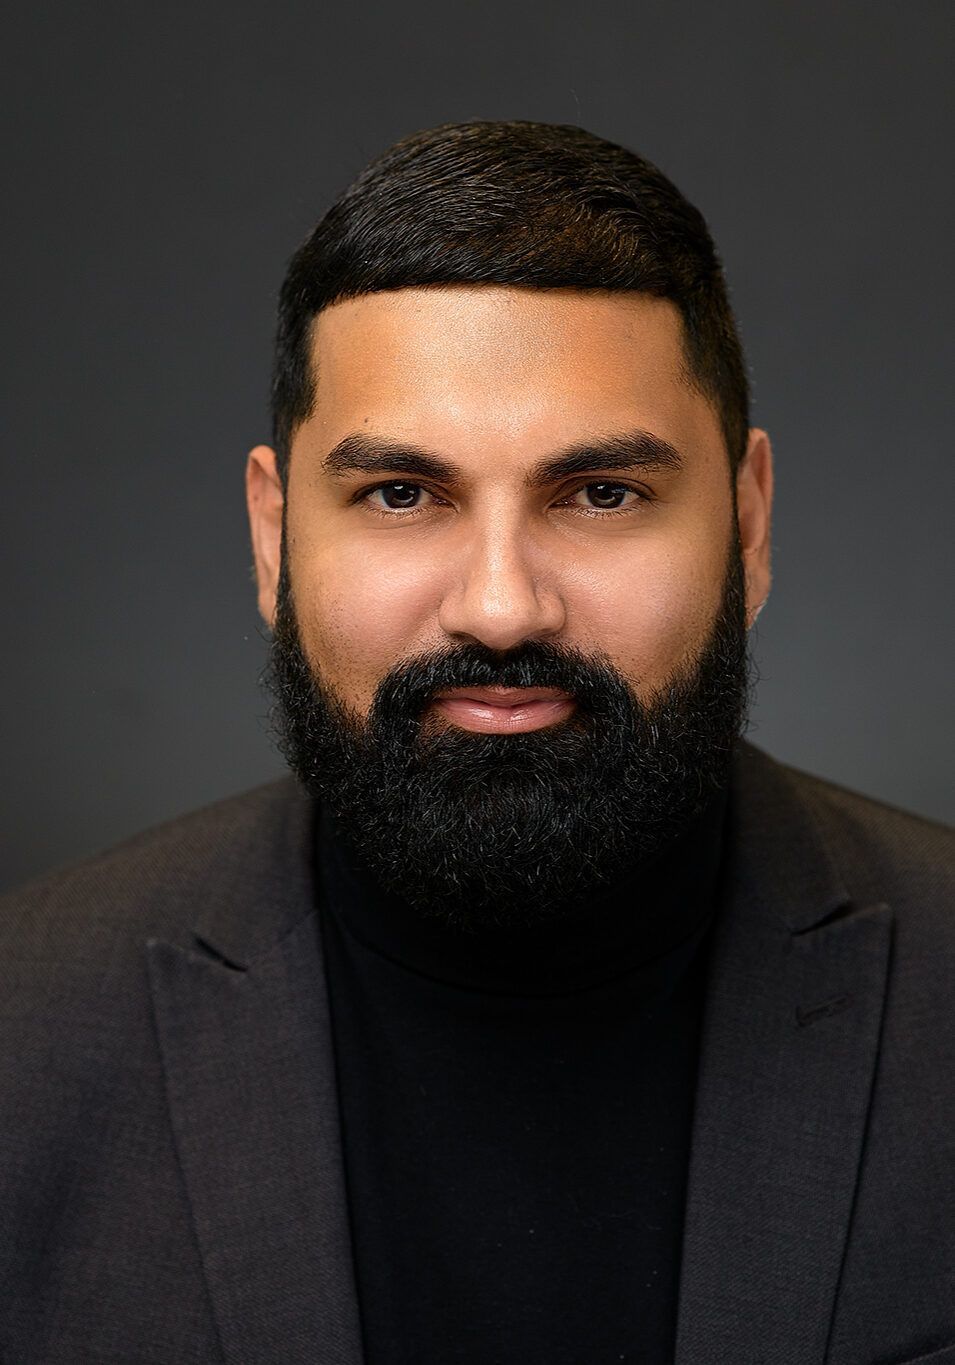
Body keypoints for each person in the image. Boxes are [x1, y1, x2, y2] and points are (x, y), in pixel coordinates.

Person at [0, 121, 952, 1365]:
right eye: (401, 495)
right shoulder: (23, 1037)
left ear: (748, 522)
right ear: (273, 536)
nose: (500, 606)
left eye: (601, 494)